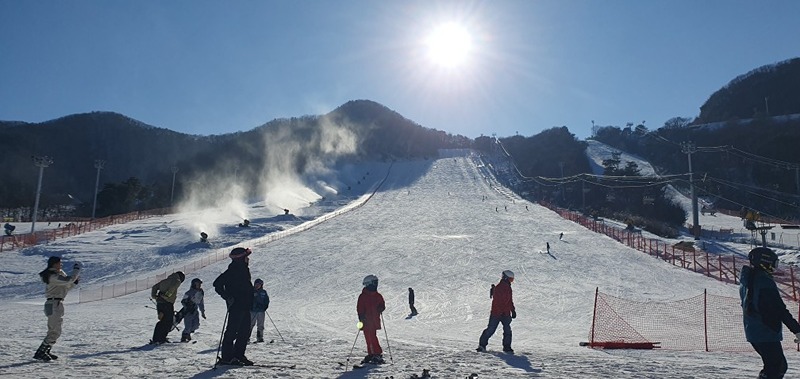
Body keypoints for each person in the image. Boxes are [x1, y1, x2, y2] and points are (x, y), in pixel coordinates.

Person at [740, 247, 800, 379]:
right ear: (765, 262)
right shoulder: (763, 282)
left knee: (775, 366)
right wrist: (796, 329)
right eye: (773, 264)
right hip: (765, 331)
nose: (774, 268)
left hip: (755, 331)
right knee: (776, 368)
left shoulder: (749, 278)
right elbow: (779, 309)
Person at [34, 256, 81, 361]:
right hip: (53, 303)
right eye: (60, 263)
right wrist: (76, 271)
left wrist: (74, 283)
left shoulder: (57, 275)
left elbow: (65, 287)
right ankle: (41, 352)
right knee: (54, 330)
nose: (61, 265)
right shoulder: (52, 276)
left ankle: (46, 350)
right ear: (54, 264)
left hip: (57, 303)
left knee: (56, 330)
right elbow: (68, 280)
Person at [214, 247, 255, 366]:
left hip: (245, 306)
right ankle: (227, 357)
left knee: (244, 333)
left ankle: (239, 355)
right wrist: (227, 297)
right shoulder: (233, 270)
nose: (248, 259)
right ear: (241, 258)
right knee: (232, 332)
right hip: (236, 306)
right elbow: (217, 284)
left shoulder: (244, 269)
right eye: (246, 256)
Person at [477, 270, 516, 354]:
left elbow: (509, 301)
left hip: (505, 314)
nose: (511, 281)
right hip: (496, 313)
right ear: (505, 278)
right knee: (491, 329)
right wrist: (500, 312)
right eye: (510, 279)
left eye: (512, 280)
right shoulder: (499, 287)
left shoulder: (508, 287)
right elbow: (497, 302)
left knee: (507, 330)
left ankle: (507, 347)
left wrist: (512, 309)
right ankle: (482, 345)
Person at [357, 274, 386, 365]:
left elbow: (382, 304)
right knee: (368, 337)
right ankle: (372, 353)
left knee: (372, 336)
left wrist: (381, 308)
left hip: (374, 320)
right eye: (374, 283)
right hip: (366, 320)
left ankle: (376, 353)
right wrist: (361, 317)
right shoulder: (363, 296)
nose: (376, 285)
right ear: (369, 284)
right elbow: (360, 308)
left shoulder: (377, 295)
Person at [150, 271, 185, 344]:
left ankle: (156, 338)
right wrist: (166, 296)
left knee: (162, 320)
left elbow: (154, 287)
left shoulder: (165, 280)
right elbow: (172, 288)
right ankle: (161, 338)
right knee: (168, 322)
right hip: (167, 303)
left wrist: (154, 296)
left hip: (159, 303)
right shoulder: (177, 281)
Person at [179, 278, 206, 343]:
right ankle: (184, 336)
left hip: (195, 311)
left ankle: (188, 334)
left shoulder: (200, 292)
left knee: (196, 325)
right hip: (188, 311)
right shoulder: (189, 293)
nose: (199, 285)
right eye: (197, 284)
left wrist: (202, 312)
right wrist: (187, 305)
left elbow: (201, 302)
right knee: (188, 325)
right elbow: (183, 301)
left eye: (200, 284)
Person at [250, 278, 270, 343]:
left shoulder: (263, 292)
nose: (257, 285)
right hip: (253, 311)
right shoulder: (252, 291)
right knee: (250, 324)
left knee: (260, 325)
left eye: (259, 284)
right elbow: (249, 300)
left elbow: (266, 300)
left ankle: (260, 337)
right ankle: (246, 337)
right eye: (256, 284)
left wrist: (265, 306)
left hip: (261, 311)